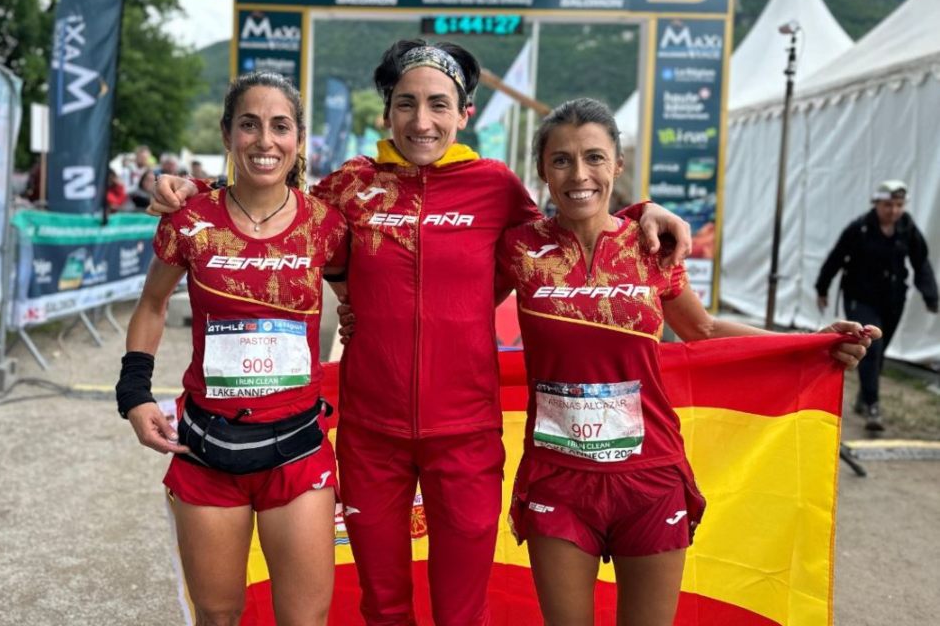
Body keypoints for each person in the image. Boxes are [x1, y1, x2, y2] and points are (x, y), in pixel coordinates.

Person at [151, 41, 691, 626]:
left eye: (439, 104)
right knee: (383, 606)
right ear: (387, 112)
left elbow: (573, 222)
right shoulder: (353, 185)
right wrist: (191, 195)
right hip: (371, 434)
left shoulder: (495, 186)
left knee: (461, 612)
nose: (421, 120)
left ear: (464, 115)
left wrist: (643, 210)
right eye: (406, 103)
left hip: (466, 436)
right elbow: (278, 212)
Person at [497, 98, 878, 626]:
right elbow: (453, 310)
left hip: (650, 478)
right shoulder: (516, 249)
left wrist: (812, 343)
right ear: (542, 168)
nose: (578, 174)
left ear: (618, 165)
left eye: (594, 158)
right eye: (561, 160)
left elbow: (704, 330)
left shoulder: (651, 245)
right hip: (558, 478)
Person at [116, 71, 348, 626]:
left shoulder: (327, 226)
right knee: (218, 615)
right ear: (227, 134)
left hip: (297, 450)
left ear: (298, 139)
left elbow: (361, 305)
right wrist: (134, 396)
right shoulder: (191, 221)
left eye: (280, 126)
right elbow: (151, 305)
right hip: (207, 449)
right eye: (249, 125)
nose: (265, 141)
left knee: (304, 619)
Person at [815, 179, 937, 431]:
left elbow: (920, 261)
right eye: (888, 205)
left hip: (892, 300)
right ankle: (873, 405)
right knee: (872, 345)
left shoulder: (907, 227)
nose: (893, 211)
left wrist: (930, 295)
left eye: (898, 205)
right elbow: (836, 257)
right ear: (877, 204)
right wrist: (822, 287)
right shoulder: (860, 228)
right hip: (860, 298)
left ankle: (864, 396)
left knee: (879, 351)